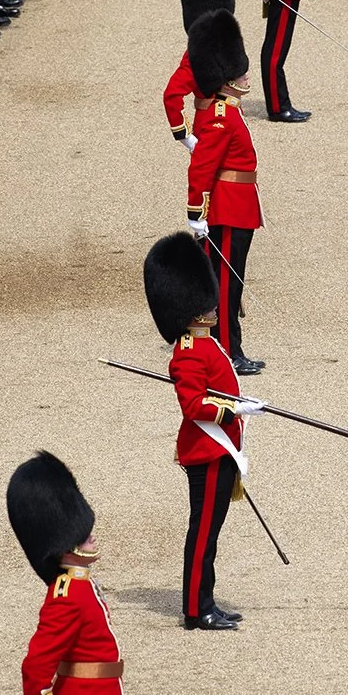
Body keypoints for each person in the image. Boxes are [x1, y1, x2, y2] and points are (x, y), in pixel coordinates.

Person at [144, 230, 265, 629]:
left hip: (219, 450)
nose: (214, 306)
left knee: (209, 535)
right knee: (203, 537)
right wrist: (234, 411)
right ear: (192, 308)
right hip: (208, 452)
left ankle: (205, 601)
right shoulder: (189, 352)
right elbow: (194, 406)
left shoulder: (204, 343)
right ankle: (197, 610)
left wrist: (237, 406)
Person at [7, 451, 125, 695]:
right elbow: (37, 662)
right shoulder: (67, 596)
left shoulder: (79, 585)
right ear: (62, 543)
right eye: (80, 532)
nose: (89, 535)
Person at [185, 8, 263, 374]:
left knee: (233, 280)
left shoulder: (229, 110)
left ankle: (229, 344)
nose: (246, 74)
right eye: (240, 70)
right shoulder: (221, 115)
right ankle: (229, 350)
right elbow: (202, 165)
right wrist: (196, 213)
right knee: (228, 283)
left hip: (240, 204)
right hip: (227, 209)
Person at [163, 0, 236, 150]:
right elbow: (172, 94)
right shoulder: (196, 55)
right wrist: (186, 137)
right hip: (209, 127)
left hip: (233, 123)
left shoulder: (228, 43)